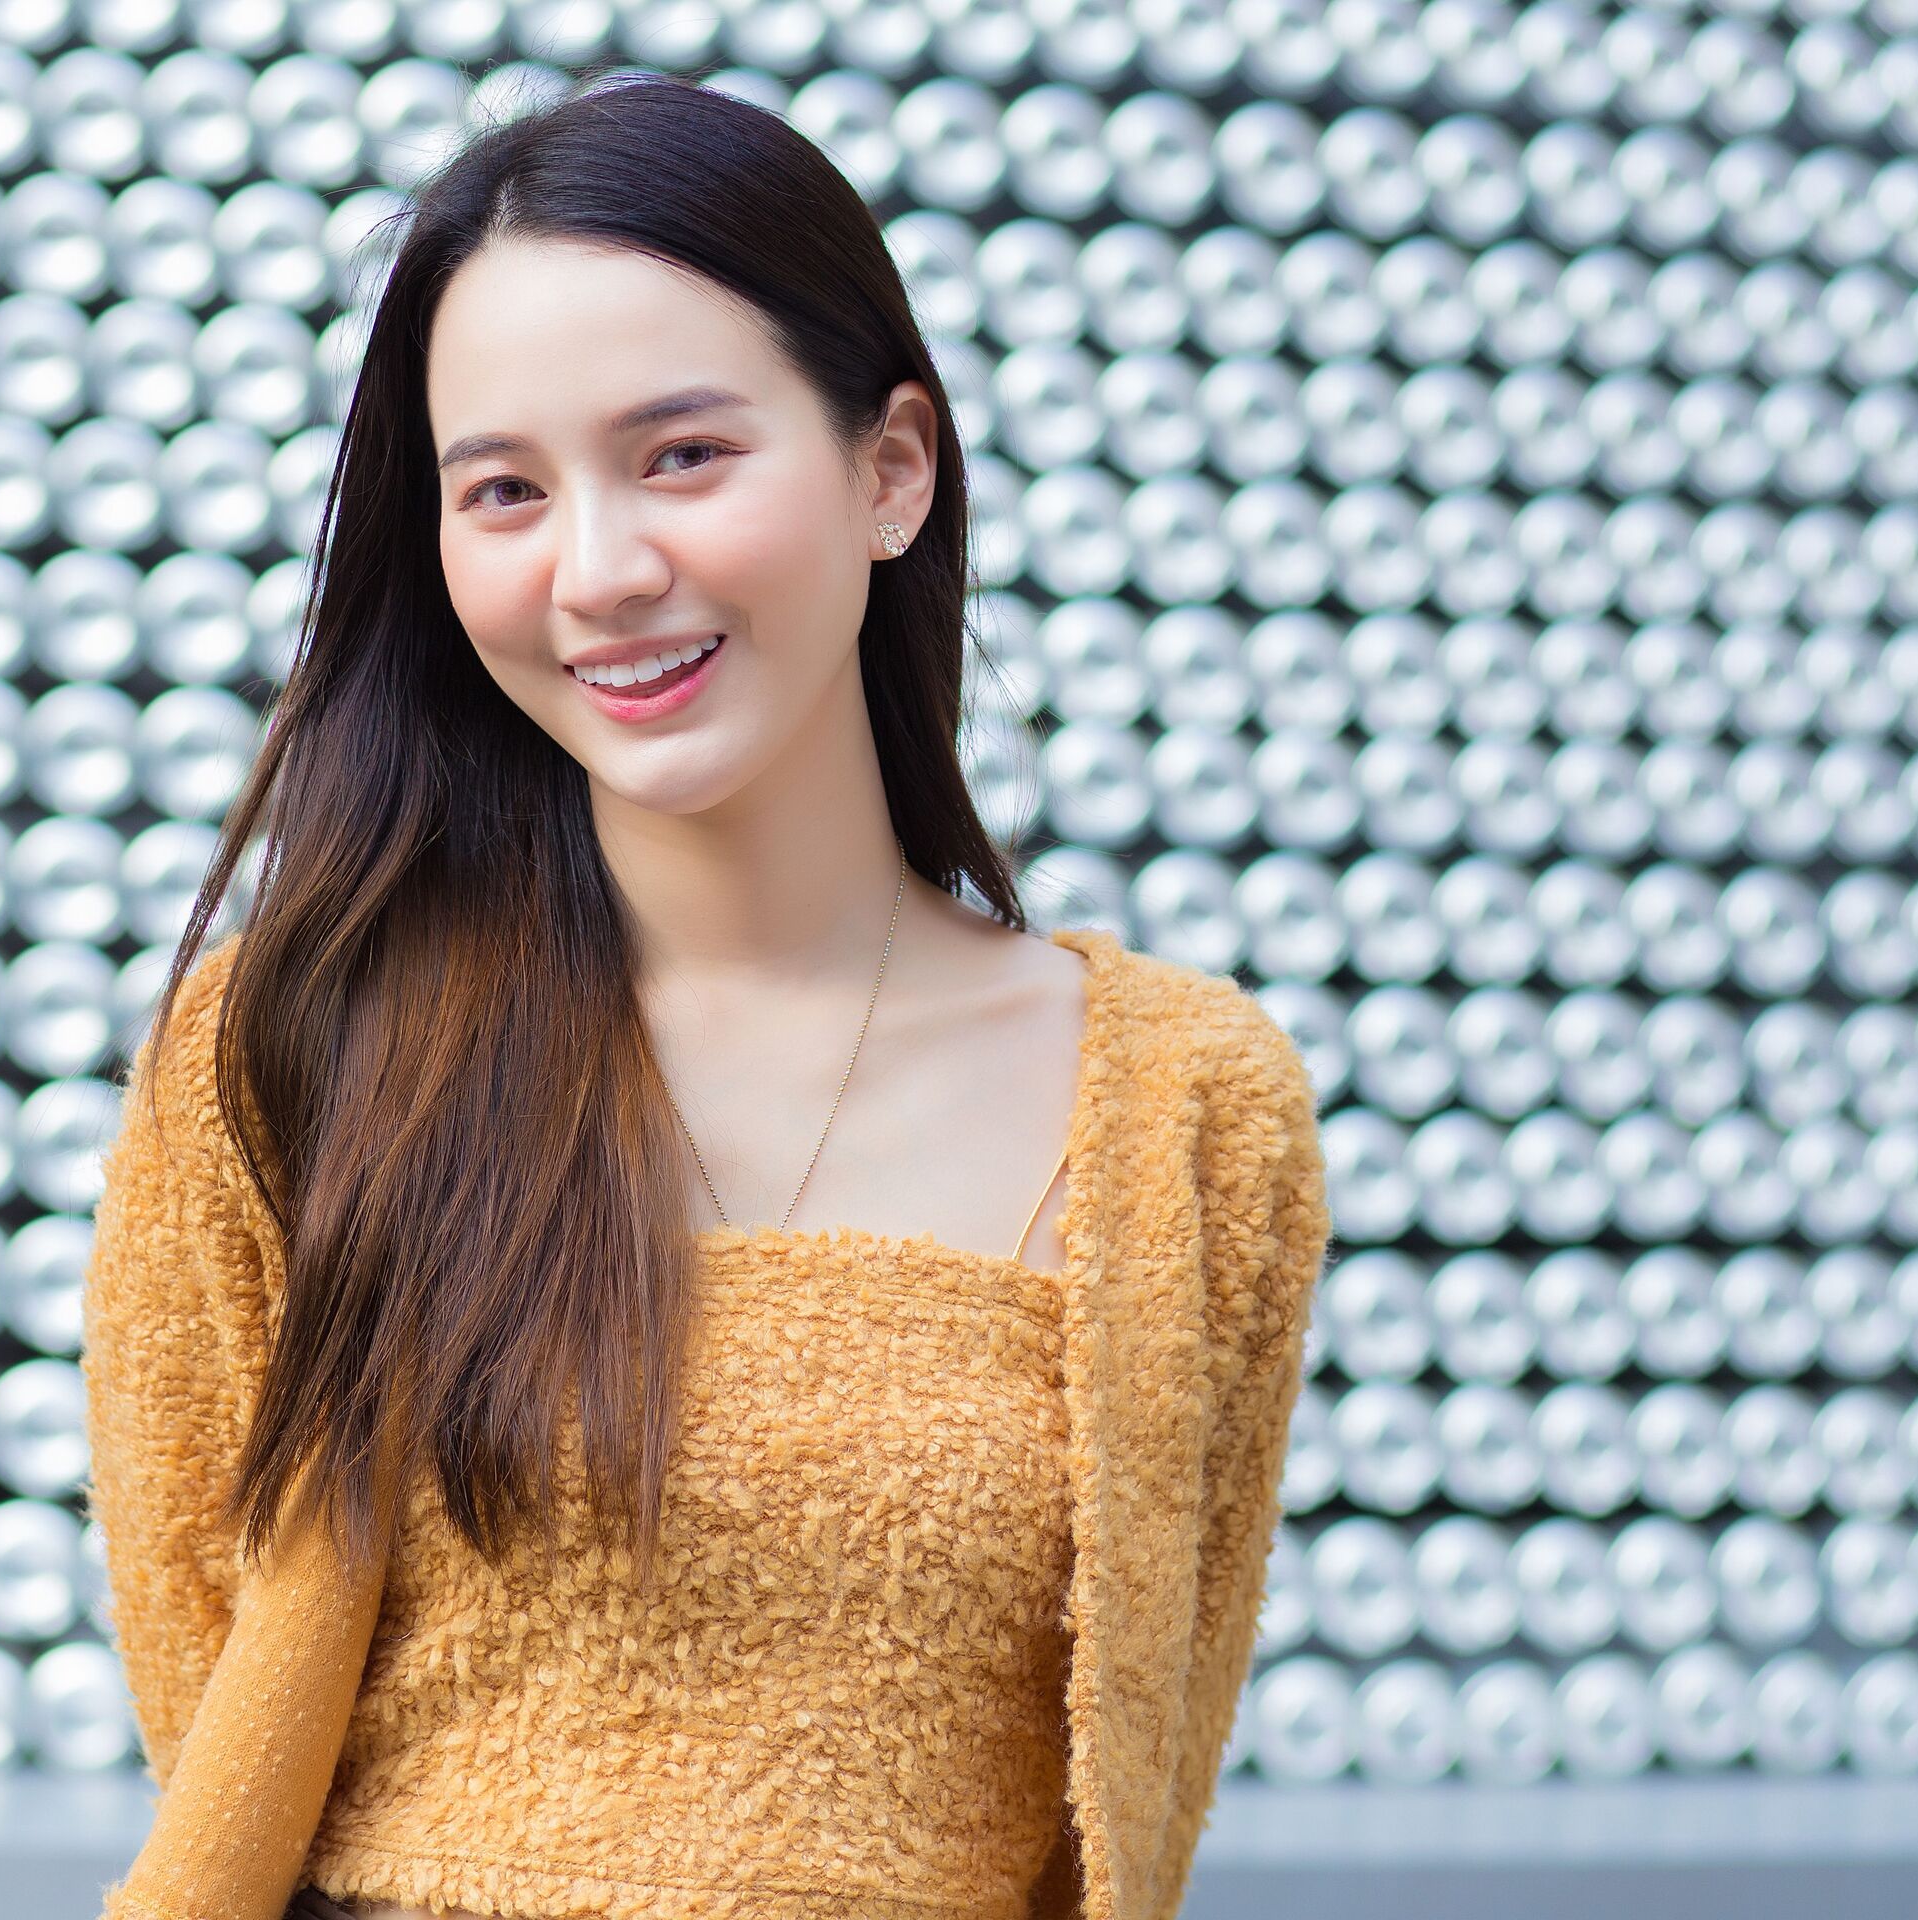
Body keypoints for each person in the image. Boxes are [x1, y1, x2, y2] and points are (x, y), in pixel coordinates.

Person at [81, 72, 1330, 1920]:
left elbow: (1127, 1803)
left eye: (682, 455)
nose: (597, 573)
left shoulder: (1188, 1107)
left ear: (890, 468)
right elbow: (210, 1682)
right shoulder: (289, 1050)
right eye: (502, 490)